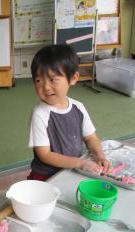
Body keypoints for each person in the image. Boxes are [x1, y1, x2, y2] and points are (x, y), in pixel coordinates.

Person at [27, 44, 111, 181]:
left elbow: (91, 138)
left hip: (73, 170)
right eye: (38, 80)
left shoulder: (78, 108)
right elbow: (45, 155)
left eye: (52, 79)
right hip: (46, 177)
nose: (46, 87)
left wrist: (100, 156)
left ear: (73, 78)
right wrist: (81, 163)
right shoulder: (40, 114)